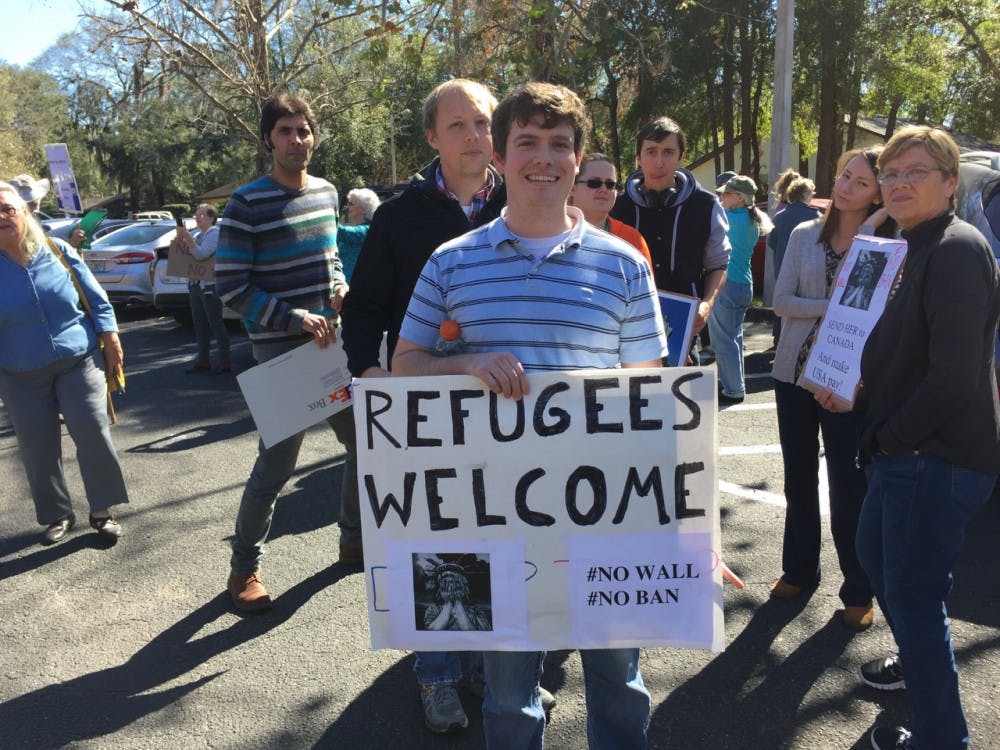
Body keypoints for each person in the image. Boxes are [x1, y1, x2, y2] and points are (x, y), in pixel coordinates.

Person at [392, 81, 667, 750]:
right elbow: (404, 365)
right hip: (492, 522)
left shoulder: (626, 266)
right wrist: (461, 365)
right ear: (500, 151)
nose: (543, 158)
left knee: (619, 686)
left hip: (603, 517)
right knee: (511, 700)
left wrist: (679, 526)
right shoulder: (451, 261)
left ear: (578, 158)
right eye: (527, 143)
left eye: (559, 145)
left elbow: (652, 401)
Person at [341, 78, 518, 735]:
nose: (475, 136)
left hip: (510, 406)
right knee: (440, 541)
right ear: (432, 138)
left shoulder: (522, 200)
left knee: (500, 533)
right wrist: (372, 375)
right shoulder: (399, 216)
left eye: (484, 123)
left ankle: (485, 666)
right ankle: (439, 675)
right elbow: (363, 310)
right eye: (459, 126)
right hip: (423, 408)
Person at [819, 127, 1000, 750]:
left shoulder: (954, 248)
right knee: (879, 562)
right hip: (902, 451)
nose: (898, 183)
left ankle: (938, 735)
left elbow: (953, 373)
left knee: (915, 597)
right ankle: (921, 672)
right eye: (891, 173)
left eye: (915, 172)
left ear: (951, 183)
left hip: (932, 457)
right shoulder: (904, 243)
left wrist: (892, 437)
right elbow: (899, 346)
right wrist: (857, 386)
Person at [215, 91, 356, 613]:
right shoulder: (247, 203)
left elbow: (331, 257)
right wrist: (294, 317)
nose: (297, 141)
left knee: (364, 448)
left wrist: (338, 287)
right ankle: (243, 570)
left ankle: (353, 538)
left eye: (304, 131)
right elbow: (230, 285)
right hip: (280, 357)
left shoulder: (325, 192)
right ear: (268, 139)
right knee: (276, 468)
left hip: (330, 350)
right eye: (285, 132)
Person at [770, 148, 896, 632]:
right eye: (844, 175)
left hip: (850, 382)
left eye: (862, 183)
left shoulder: (885, 244)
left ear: (879, 194)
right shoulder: (804, 234)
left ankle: (858, 589)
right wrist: (836, 308)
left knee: (850, 487)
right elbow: (781, 302)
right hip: (794, 376)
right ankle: (800, 570)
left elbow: (886, 316)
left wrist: (874, 228)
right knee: (798, 479)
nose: (845, 187)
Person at [0, 181, 127, 544]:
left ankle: (102, 510)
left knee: (92, 430)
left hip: (79, 359)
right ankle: (58, 514)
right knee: (37, 446)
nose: (3, 217)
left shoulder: (56, 250)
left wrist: (111, 337)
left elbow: (97, 300)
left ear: (24, 212)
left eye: (9, 209)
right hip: (18, 372)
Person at [610, 115, 730, 359]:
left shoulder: (706, 205)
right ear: (638, 158)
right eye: (651, 152)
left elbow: (718, 264)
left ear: (681, 156)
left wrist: (707, 304)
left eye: (668, 152)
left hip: (683, 335)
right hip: (624, 335)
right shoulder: (615, 208)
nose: (659, 161)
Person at [709, 175, 772, 405]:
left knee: (722, 341)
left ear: (739, 197)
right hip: (744, 285)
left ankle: (733, 388)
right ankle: (734, 384)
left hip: (726, 285)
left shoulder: (728, 219)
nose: (721, 197)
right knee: (733, 338)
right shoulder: (752, 219)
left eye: (726, 194)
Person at [569, 152, 652, 267]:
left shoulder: (632, 239)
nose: (604, 189)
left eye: (610, 184)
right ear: (572, 188)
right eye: (594, 183)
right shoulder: (552, 233)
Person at [768, 176, 821, 345]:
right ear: (806, 194)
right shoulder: (817, 217)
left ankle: (779, 338)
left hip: (782, 267)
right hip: (809, 271)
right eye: (811, 192)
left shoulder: (779, 217)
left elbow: (771, 242)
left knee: (783, 300)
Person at [180, 203, 231, 374]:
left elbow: (201, 255)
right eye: (196, 213)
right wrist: (182, 237)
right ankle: (203, 361)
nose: (197, 216)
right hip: (195, 285)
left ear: (211, 218)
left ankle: (224, 362)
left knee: (215, 323)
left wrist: (186, 237)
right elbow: (186, 255)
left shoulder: (214, 234)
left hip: (210, 286)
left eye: (201, 214)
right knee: (199, 325)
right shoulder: (197, 235)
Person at [336, 188, 380, 282]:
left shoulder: (369, 230)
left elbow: (343, 233)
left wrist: (327, 217)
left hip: (357, 287)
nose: (347, 207)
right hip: (343, 287)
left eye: (351, 204)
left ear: (364, 209)